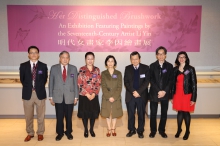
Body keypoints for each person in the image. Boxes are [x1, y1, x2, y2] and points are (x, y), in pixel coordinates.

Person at [19, 46, 48, 142]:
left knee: (41, 115)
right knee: (28, 116)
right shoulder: (23, 66)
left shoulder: (43, 66)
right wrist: (30, 88)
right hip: (28, 94)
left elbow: (44, 79)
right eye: (31, 52)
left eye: (35, 52)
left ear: (38, 54)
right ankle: (30, 133)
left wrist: (37, 88)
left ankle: (40, 133)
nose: (34, 54)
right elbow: (22, 80)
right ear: (28, 55)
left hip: (40, 93)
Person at [48, 51, 78, 141]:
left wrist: (76, 97)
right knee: (59, 116)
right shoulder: (54, 68)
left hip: (70, 96)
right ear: (59, 58)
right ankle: (59, 133)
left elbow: (75, 83)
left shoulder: (73, 68)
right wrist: (50, 96)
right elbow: (51, 83)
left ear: (69, 59)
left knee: (69, 117)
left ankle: (69, 132)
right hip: (58, 96)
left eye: (67, 57)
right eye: (63, 57)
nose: (65, 59)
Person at [171, 51, 197, 140]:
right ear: (177, 59)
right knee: (179, 112)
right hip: (177, 94)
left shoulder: (190, 69)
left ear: (186, 58)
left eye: (183, 57)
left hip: (187, 94)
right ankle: (179, 129)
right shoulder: (175, 69)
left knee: (186, 112)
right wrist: (172, 96)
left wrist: (193, 98)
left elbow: (194, 84)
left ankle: (187, 131)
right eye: (180, 57)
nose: (181, 59)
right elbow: (173, 84)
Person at [149, 46, 173, 138]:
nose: (161, 55)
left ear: (165, 55)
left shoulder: (169, 66)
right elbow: (151, 80)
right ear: (156, 55)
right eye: (159, 54)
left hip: (165, 93)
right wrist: (159, 91)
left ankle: (162, 130)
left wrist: (164, 91)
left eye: (162, 54)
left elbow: (171, 80)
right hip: (154, 92)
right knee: (153, 113)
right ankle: (153, 131)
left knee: (164, 113)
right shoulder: (152, 66)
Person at [124, 51, 150, 138]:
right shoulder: (127, 68)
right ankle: (131, 129)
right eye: (133, 59)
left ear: (139, 59)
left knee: (141, 114)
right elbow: (126, 82)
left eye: (136, 59)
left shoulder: (145, 68)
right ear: (130, 60)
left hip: (141, 95)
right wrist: (133, 92)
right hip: (130, 96)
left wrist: (138, 92)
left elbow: (146, 82)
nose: (134, 61)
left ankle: (140, 130)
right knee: (131, 114)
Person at [77, 52, 101, 138]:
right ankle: (86, 130)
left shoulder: (97, 70)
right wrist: (87, 94)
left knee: (93, 114)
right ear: (85, 59)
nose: (90, 60)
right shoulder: (82, 69)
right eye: (88, 58)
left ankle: (91, 129)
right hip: (84, 96)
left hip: (94, 96)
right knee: (85, 114)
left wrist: (94, 93)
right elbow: (79, 84)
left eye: (91, 58)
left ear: (94, 59)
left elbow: (98, 83)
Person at [100, 55, 123, 137]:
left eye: (112, 61)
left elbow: (120, 86)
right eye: (108, 61)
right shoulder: (103, 73)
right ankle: (109, 128)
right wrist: (109, 96)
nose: (110, 63)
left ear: (114, 63)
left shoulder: (118, 73)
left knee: (114, 113)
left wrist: (114, 97)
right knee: (107, 113)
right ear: (106, 62)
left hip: (116, 97)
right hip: (106, 97)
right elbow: (103, 86)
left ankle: (113, 128)